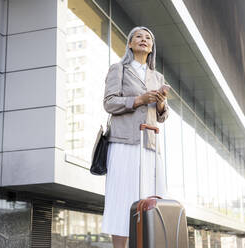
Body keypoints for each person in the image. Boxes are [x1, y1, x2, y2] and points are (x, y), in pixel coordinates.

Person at [101, 26, 169, 248]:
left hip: (149, 144)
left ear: (152, 47)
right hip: (124, 142)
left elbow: (162, 116)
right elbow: (109, 102)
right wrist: (139, 100)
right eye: (138, 36)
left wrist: (160, 103)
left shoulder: (158, 77)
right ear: (130, 44)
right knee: (122, 199)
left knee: (150, 200)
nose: (143, 39)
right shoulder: (118, 69)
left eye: (148, 37)